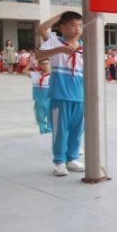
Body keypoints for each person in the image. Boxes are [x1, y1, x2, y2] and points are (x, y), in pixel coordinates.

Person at [35, 11, 85, 177]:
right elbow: (39, 54)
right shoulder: (55, 41)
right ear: (62, 27)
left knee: (77, 130)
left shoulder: (85, 47)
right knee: (60, 130)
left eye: (79, 25)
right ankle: (59, 161)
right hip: (60, 94)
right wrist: (60, 49)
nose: (77, 29)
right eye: (72, 25)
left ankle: (72, 158)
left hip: (80, 95)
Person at [31, 58, 52, 134]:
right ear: (39, 65)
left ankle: (50, 133)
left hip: (51, 101)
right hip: (39, 100)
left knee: (51, 119)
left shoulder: (54, 76)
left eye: (47, 63)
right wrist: (32, 63)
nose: (45, 65)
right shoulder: (36, 75)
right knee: (40, 119)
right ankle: (42, 132)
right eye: (43, 64)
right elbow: (24, 71)